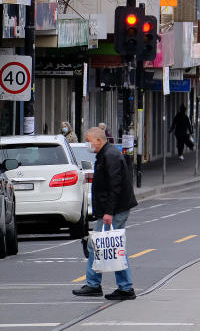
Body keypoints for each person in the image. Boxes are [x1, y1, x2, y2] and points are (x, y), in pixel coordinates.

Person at [72, 127, 138, 301]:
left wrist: (108, 213)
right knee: (108, 246)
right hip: (112, 210)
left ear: (99, 141)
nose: (87, 143)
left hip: (115, 210)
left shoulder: (110, 156)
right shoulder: (105, 155)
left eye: (88, 139)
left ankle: (116, 287)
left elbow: (114, 187)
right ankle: (111, 286)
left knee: (108, 246)